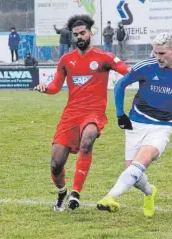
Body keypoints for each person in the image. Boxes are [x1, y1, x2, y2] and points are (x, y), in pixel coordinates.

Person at [97, 33, 172, 217]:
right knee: (133, 173)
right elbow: (119, 86)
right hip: (136, 122)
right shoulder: (146, 67)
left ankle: (110, 196)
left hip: (163, 126)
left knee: (141, 163)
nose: (158, 57)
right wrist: (120, 115)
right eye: (155, 52)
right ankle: (150, 192)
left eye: (162, 53)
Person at [34, 15, 129, 211]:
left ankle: (75, 193)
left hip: (93, 113)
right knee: (56, 164)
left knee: (88, 140)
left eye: (82, 33)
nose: (79, 37)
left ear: (90, 33)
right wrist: (46, 88)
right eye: (76, 34)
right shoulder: (66, 60)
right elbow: (55, 86)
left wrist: (143, 76)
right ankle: (62, 192)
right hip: (71, 115)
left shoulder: (104, 57)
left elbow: (125, 70)